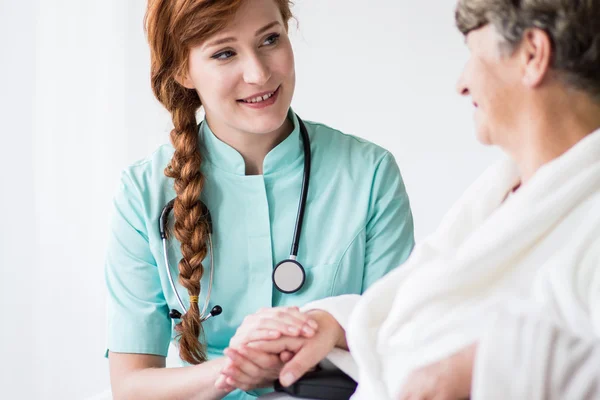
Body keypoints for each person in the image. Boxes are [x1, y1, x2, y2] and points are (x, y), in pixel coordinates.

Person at [224, 0, 600, 398]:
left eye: (474, 54)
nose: (462, 83)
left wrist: (483, 368)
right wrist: (333, 324)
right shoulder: (501, 191)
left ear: (531, 55)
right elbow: (427, 305)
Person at [103, 0, 415, 399]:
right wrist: (236, 369)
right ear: (182, 69)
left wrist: (329, 329)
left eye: (270, 39)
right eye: (224, 52)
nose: (259, 73)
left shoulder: (370, 173)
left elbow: (400, 339)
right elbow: (131, 386)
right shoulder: (142, 193)